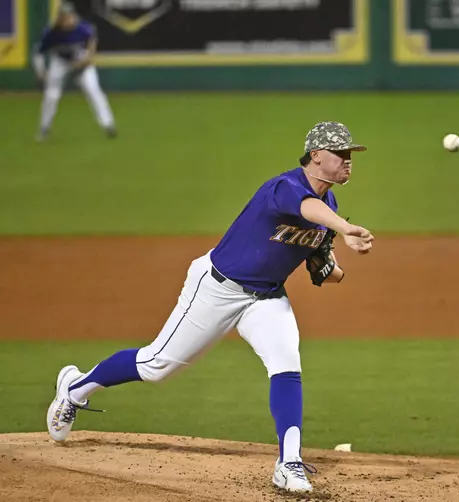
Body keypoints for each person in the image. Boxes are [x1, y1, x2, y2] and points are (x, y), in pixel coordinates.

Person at [46, 121, 374, 493]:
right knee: (156, 366)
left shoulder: (330, 203)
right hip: (217, 288)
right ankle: (75, 387)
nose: (349, 161)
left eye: (351, 155)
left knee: (287, 366)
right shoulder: (287, 187)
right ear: (316, 156)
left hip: (265, 298)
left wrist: (336, 267)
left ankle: (289, 462)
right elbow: (305, 208)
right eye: (341, 153)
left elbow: (320, 263)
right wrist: (344, 229)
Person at [32, 2, 116, 141]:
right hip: (60, 63)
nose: (66, 20)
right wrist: (41, 72)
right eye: (63, 17)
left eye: (69, 16)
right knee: (51, 96)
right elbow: (37, 53)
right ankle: (44, 128)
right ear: (59, 17)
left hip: (80, 61)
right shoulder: (51, 33)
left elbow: (92, 45)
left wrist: (86, 61)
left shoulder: (84, 29)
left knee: (93, 90)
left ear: (74, 16)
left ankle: (108, 125)